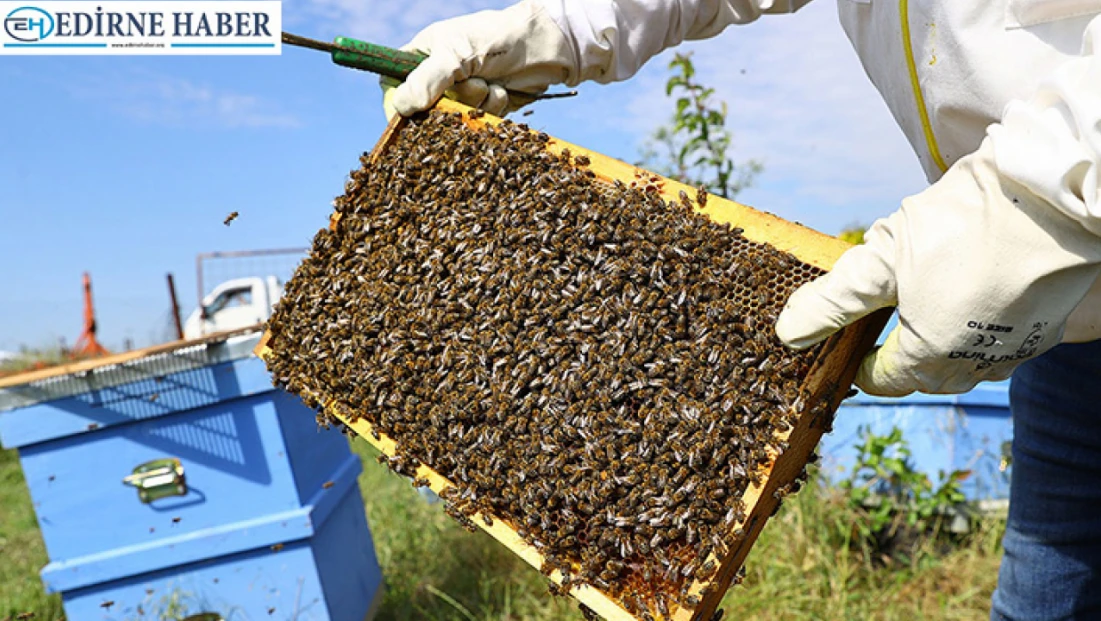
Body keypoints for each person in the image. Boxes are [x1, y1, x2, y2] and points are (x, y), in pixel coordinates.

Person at [379, 1, 1101, 618]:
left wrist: (1040, 199)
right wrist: (556, 28)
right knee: (1042, 592)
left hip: (1066, 231)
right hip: (1067, 328)